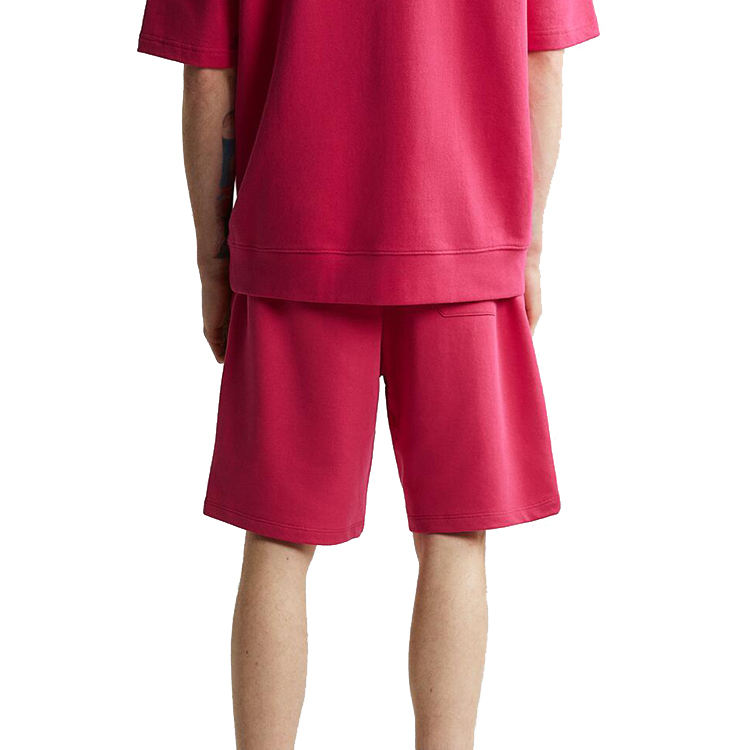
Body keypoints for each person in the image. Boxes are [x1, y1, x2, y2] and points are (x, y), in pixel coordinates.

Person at [138, 0, 598, 746]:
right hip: (464, 234)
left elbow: (207, 75)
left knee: (278, 540)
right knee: (455, 536)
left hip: (295, 243)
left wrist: (213, 262)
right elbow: (542, 58)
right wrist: (528, 249)